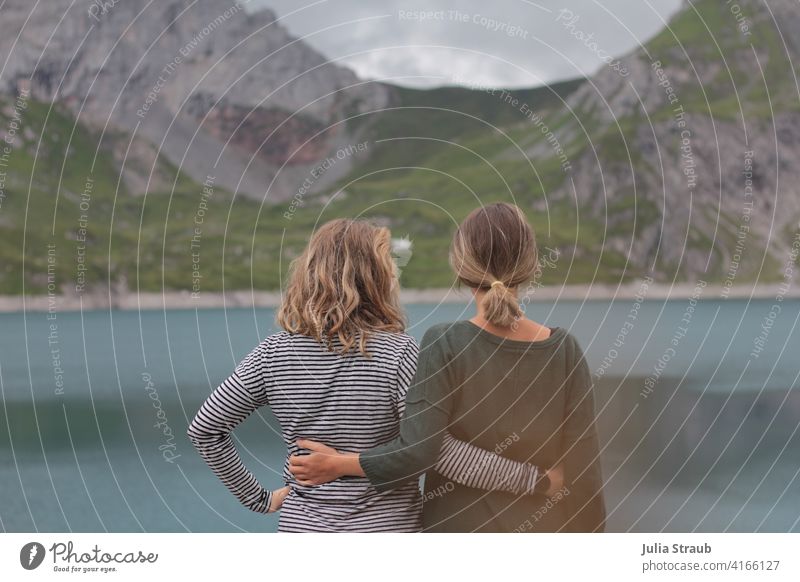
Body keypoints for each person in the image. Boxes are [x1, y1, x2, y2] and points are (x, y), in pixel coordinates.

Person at [187, 218, 552, 532]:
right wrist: (537, 480)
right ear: (373, 277)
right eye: (388, 262)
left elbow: (205, 429)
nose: (394, 270)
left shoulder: (272, 354)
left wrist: (260, 499)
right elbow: (434, 452)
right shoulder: (400, 354)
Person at [289, 203, 606, 532]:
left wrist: (338, 465)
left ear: (461, 266)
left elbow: (417, 453)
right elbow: (586, 477)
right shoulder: (564, 350)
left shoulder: (445, 343)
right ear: (530, 265)